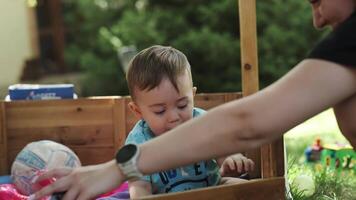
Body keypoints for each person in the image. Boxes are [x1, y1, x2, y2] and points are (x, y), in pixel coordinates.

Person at [31, 0, 356, 199]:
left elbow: (247, 125)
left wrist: (116, 168)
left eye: (316, 1)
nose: (316, 20)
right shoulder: (139, 137)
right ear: (137, 109)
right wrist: (125, 173)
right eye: (159, 109)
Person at [122, 45, 254, 198]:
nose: (174, 117)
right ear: (138, 111)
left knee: (250, 188)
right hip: (163, 197)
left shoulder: (203, 122)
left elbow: (223, 152)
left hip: (211, 190)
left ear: (192, 95)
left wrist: (231, 160)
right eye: (160, 111)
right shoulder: (138, 142)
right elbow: (139, 189)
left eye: (182, 105)